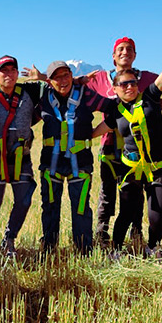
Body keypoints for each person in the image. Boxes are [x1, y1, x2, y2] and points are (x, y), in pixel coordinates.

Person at [93, 24, 162, 258]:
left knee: (157, 216)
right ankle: (115, 251)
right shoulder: (114, 112)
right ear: (115, 88)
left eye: (133, 83)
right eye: (124, 84)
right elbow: (93, 132)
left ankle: (152, 248)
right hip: (131, 169)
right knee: (125, 213)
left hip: (157, 168)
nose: (130, 87)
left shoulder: (152, 97)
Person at [38, 61, 114, 254]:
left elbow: (114, 108)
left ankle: (83, 251)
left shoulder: (86, 95)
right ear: (49, 81)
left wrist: (96, 132)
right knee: (50, 207)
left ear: (72, 75)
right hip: (50, 163)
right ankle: (48, 250)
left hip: (80, 163)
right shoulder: (42, 95)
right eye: (57, 77)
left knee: (80, 208)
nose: (62, 81)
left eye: (66, 75)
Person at [0, 55, 48, 258]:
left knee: (24, 199)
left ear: (18, 74)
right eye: (4, 71)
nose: (8, 74)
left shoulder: (30, 91)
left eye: (12, 70)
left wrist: (42, 77)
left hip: (22, 156)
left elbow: (60, 85)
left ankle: (9, 239)